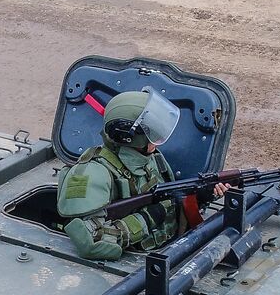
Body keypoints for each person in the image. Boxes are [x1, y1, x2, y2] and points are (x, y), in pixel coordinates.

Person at [57, 89, 227, 261]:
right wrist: (147, 218)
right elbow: (92, 242)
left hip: (169, 250)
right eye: (151, 131)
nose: (157, 136)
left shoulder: (151, 158)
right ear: (129, 137)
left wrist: (200, 196)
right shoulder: (92, 174)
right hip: (134, 265)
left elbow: (169, 201)